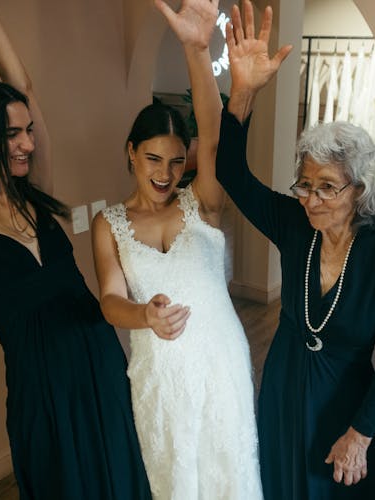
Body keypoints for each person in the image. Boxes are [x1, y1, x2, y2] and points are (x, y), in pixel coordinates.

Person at [0, 1, 151, 497]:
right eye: (11, 134)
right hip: (43, 398)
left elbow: (24, 84)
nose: (27, 143)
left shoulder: (36, 198)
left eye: (28, 130)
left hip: (102, 366)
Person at [213, 2, 375, 498]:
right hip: (284, 378)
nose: (311, 199)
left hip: (345, 399)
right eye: (305, 184)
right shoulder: (293, 221)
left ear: (362, 190)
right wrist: (241, 93)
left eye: (328, 186)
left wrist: (363, 431)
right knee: (281, 482)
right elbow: (231, 174)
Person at [91, 0, 262, 498]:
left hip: (220, 362)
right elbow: (108, 301)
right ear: (131, 152)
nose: (165, 173)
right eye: (152, 159)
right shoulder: (110, 223)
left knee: (230, 477)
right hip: (160, 377)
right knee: (176, 482)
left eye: (174, 160)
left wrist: (196, 48)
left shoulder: (202, 204)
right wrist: (144, 314)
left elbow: (211, 138)